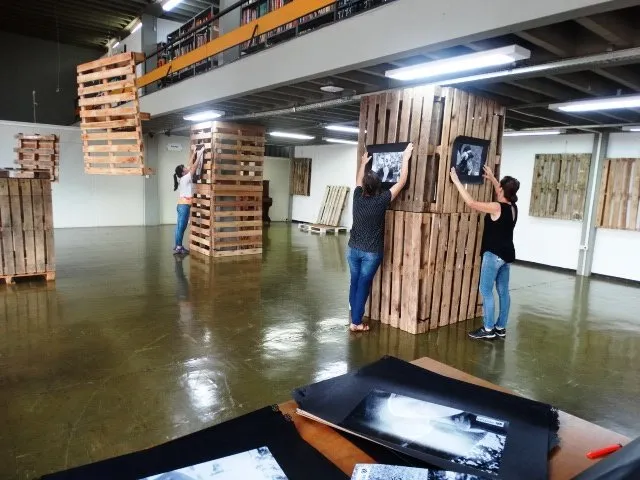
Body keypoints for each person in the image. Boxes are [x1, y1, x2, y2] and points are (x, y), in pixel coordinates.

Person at [347, 143, 414, 332]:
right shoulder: (381, 201)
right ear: (379, 187)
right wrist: (405, 158)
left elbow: (358, 180)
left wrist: (362, 163)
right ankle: (356, 322)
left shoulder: (357, 197)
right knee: (363, 284)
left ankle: (354, 314)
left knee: (355, 281)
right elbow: (402, 181)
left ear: (364, 188)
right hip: (371, 252)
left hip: (353, 249)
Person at [449, 165, 520, 340]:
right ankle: (500, 327)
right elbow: (502, 191)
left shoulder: (496, 207)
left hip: (493, 255)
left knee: (486, 290)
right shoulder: (512, 207)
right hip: (507, 254)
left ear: (503, 190)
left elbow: (471, 203)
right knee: (503, 291)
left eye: (499, 187)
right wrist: (494, 180)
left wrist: (457, 181)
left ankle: (488, 329)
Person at [172, 146, 202, 254]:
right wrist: (200, 153)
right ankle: (179, 247)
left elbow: (189, 165)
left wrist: (194, 152)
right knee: (182, 227)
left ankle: (177, 246)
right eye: (184, 168)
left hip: (182, 205)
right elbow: (194, 167)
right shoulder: (186, 178)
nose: (186, 167)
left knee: (180, 226)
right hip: (184, 206)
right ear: (183, 172)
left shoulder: (183, 177)